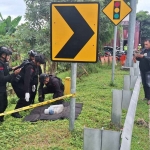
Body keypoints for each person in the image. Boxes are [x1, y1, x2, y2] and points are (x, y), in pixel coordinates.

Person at [11, 54, 45, 118]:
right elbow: (27, 80)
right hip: (17, 82)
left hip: (22, 82)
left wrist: (33, 85)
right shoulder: (29, 67)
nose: (40, 64)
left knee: (29, 96)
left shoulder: (35, 66)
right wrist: (26, 92)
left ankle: (23, 107)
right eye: (39, 63)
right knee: (24, 96)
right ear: (37, 61)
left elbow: (33, 77)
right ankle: (15, 112)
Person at [0, 46, 21, 122]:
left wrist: (12, 68)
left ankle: (1, 119)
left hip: (2, 88)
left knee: (4, 104)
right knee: (2, 105)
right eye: (7, 55)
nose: (9, 57)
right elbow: (2, 79)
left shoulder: (3, 63)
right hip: (0, 88)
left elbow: (5, 69)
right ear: (3, 55)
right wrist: (14, 74)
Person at [133, 39, 150, 105]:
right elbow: (140, 58)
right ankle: (146, 96)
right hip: (142, 70)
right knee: (144, 84)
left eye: (147, 44)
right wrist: (136, 57)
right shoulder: (143, 50)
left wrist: (144, 56)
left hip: (149, 70)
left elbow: (147, 58)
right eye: (144, 44)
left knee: (149, 84)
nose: (145, 46)